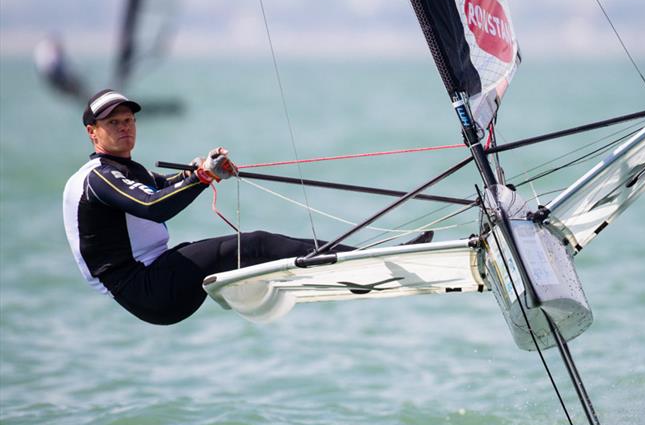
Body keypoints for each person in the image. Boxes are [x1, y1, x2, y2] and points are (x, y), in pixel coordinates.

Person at [64, 89, 431, 325]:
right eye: (113, 123)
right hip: (146, 289)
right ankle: (372, 261)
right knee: (253, 244)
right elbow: (153, 205)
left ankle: (358, 264)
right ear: (92, 132)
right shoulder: (99, 177)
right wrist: (203, 177)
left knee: (244, 251)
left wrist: (201, 173)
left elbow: (166, 187)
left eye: (128, 120)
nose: (125, 128)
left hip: (153, 285)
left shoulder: (127, 171)